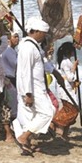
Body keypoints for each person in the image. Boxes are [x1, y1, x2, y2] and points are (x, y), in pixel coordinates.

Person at [12, 17, 55, 155]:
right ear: (35, 31)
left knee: (29, 116)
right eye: (43, 33)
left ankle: (26, 145)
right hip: (32, 88)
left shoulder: (33, 46)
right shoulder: (28, 47)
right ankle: (23, 136)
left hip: (35, 87)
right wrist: (28, 93)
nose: (44, 36)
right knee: (47, 112)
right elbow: (25, 73)